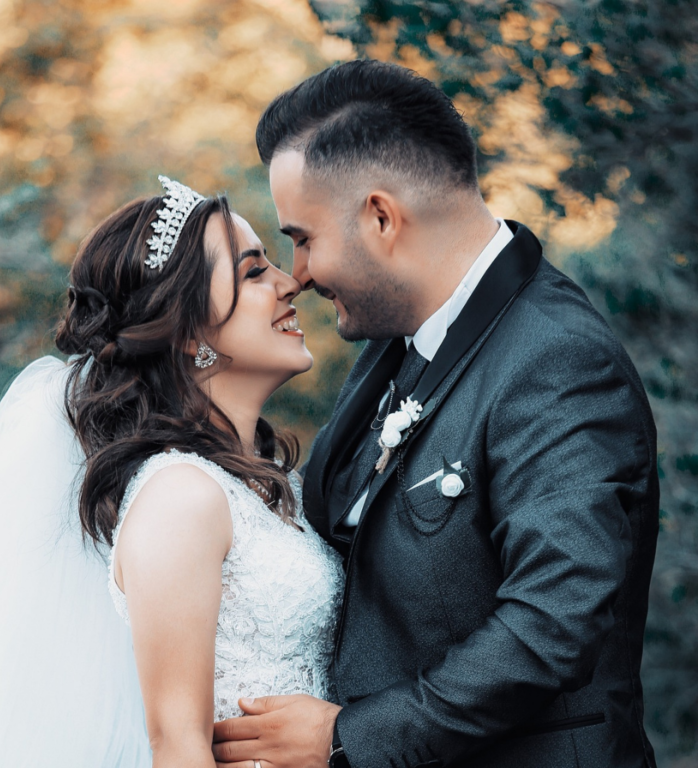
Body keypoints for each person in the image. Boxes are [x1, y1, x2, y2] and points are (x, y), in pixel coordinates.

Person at [211, 60, 659, 768]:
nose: (297, 273)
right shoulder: (399, 343)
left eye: (302, 238)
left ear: (381, 217)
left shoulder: (559, 361)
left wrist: (344, 739)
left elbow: (551, 624)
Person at [0, 176, 344, 767]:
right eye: (254, 272)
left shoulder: (261, 482)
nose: (289, 283)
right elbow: (177, 746)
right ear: (188, 330)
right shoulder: (182, 496)